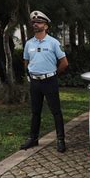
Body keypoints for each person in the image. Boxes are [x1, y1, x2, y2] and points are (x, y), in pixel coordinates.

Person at [21, 10, 69, 153]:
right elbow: (26, 61)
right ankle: (33, 139)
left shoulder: (53, 42)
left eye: (39, 22)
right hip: (35, 82)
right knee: (35, 112)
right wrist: (29, 74)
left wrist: (54, 74)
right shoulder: (29, 43)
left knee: (56, 111)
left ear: (46, 26)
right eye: (34, 22)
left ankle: (60, 140)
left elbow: (64, 63)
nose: (35, 24)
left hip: (49, 81)